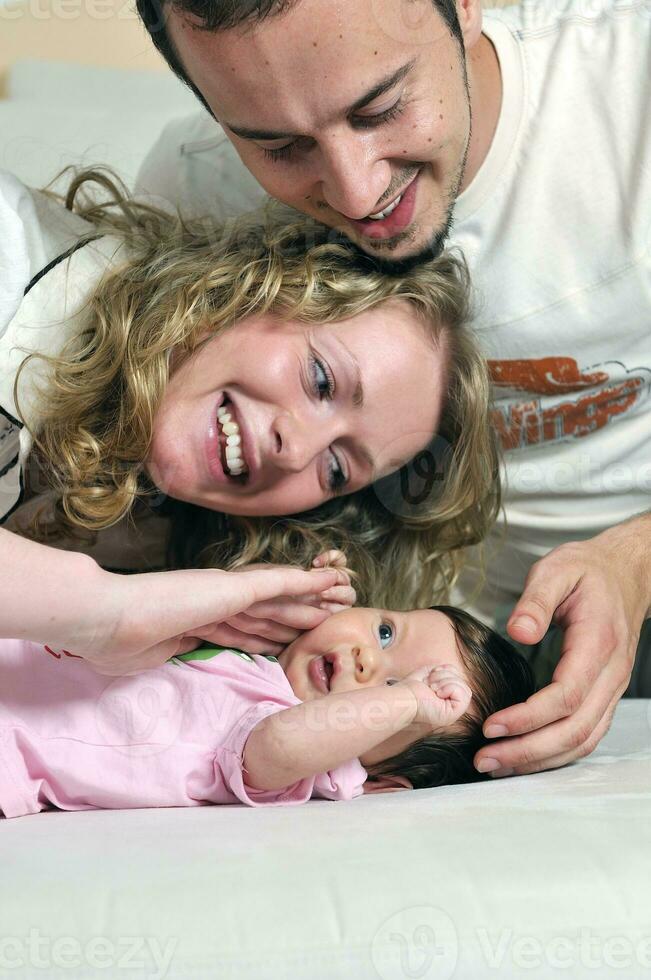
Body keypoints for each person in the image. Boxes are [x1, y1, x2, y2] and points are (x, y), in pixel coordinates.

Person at [133, 0, 651, 776]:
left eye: (380, 108)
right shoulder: (192, 189)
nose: (354, 191)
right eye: (276, 145)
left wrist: (631, 562)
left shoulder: (627, 91)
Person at [0, 167, 498, 673]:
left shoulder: (175, 558)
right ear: (257, 287)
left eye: (337, 469)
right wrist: (105, 611)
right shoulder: (11, 254)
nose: (296, 449)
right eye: (322, 381)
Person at [0, 590, 536, 817]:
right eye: (388, 632)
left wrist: (413, 701)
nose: (364, 657)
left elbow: (279, 743)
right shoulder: (256, 662)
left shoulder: (292, 752)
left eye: (390, 690)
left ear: (377, 779)